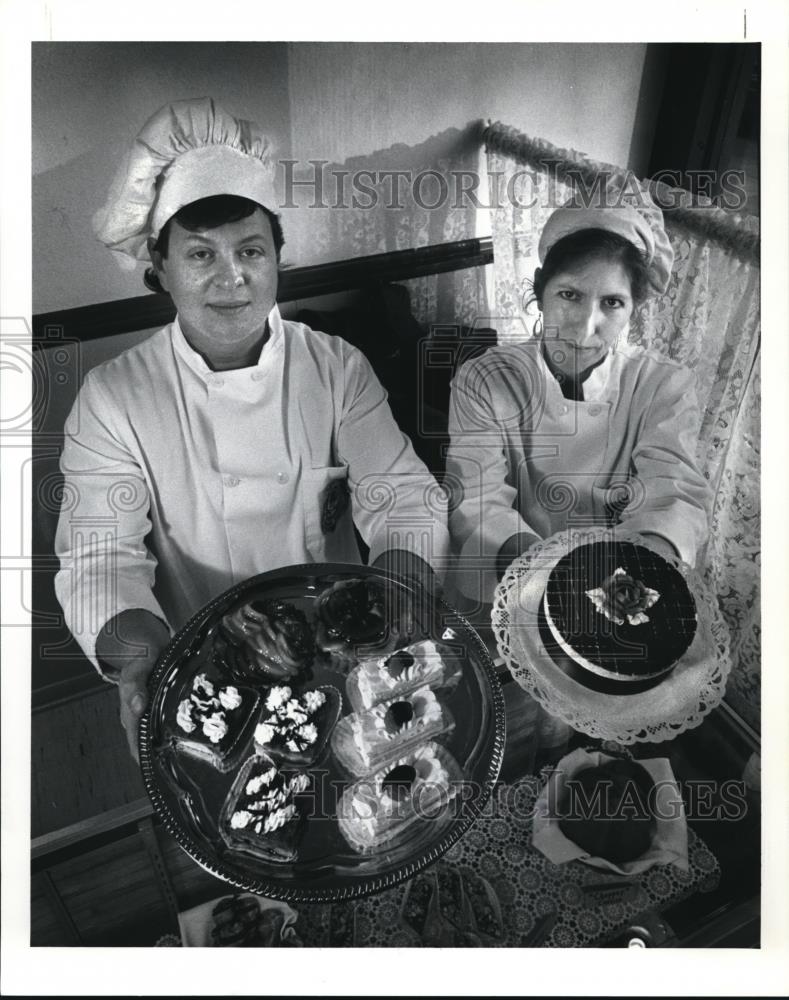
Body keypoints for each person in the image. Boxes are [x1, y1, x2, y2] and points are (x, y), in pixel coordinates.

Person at [54, 98, 449, 758]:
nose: (231, 277)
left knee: (370, 795)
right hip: (209, 673)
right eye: (201, 254)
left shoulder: (335, 368)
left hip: (345, 655)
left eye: (250, 250)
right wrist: (141, 658)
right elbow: (100, 558)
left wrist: (397, 593)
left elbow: (401, 494)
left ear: (277, 261)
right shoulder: (113, 398)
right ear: (162, 267)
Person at [445, 187, 711, 606]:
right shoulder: (486, 378)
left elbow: (672, 495)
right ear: (539, 291)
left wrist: (629, 581)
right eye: (570, 295)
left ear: (633, 308)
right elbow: (477, 499)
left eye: (612, 303)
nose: (586, 328)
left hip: (621, 588)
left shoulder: (663, 386)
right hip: (508, 580)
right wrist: (553, 581)